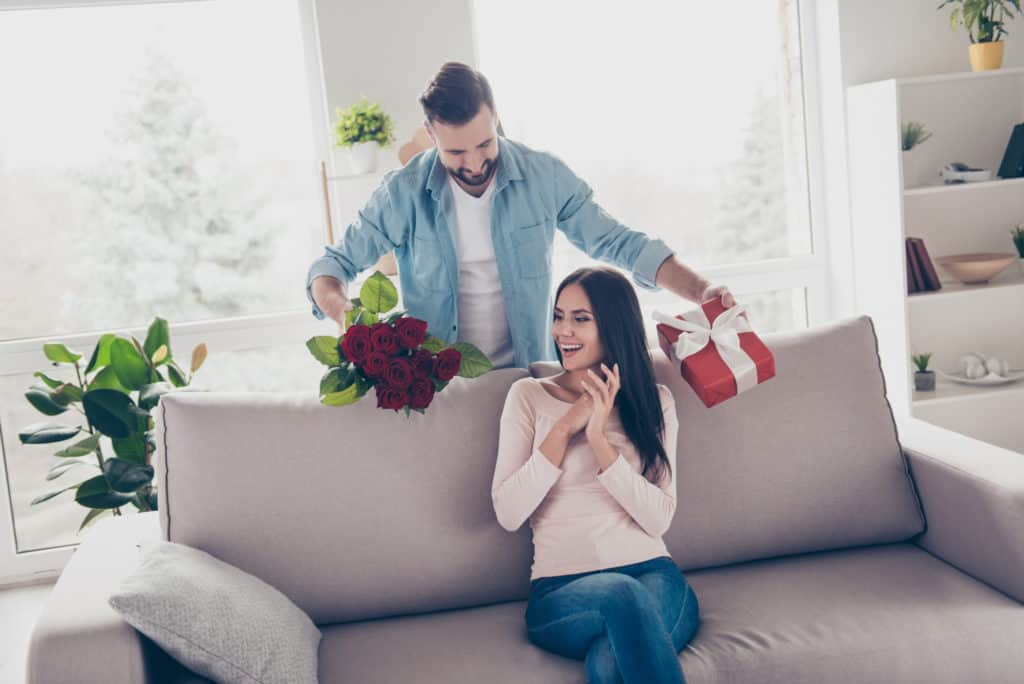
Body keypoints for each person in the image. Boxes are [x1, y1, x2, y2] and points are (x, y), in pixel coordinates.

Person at [306, 61, 734, 369]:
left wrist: (702, 290)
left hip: (530, 377)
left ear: (496, 120)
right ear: (431, 133)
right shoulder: (403, 192)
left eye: (485, 144)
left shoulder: (543, 175)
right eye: (456, 152)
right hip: (441, 387)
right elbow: (330, 268)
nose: (474, 164)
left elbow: (619, 242)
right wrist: (347, 316)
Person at [492, 266, 699, 684]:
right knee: (620, 595)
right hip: (562, 591)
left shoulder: (654, 401)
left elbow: (659, 519)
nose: (563, 331)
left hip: (655, 575)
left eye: (580, 319)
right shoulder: (529, 396)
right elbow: (509, 512)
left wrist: (599, 439)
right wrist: (566, 427)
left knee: (608, 663)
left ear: (614, 324)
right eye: (559, 315)